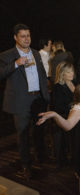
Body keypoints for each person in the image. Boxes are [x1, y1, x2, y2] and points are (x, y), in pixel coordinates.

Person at [0, 24, 49, 179]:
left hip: (38, 98)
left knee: (39, 131)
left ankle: (41, 159)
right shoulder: (7, 55)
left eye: (28, 35)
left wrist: (45, 95)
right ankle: (26, 166)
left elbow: (42, 75)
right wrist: (16, 64)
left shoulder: (35, 53)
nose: (26, 39)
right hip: (21, 100)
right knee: (23, 134)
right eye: (23, 36)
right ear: (15, 37)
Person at [52, 61, 77, 168]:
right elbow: (57, 107)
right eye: (68, 72)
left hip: (74, 115)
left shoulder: (73, 83)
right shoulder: (58, 87)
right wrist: (73, 106)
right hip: (64, 117)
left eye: (72, 71)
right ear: (62, 74)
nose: (71, 74)